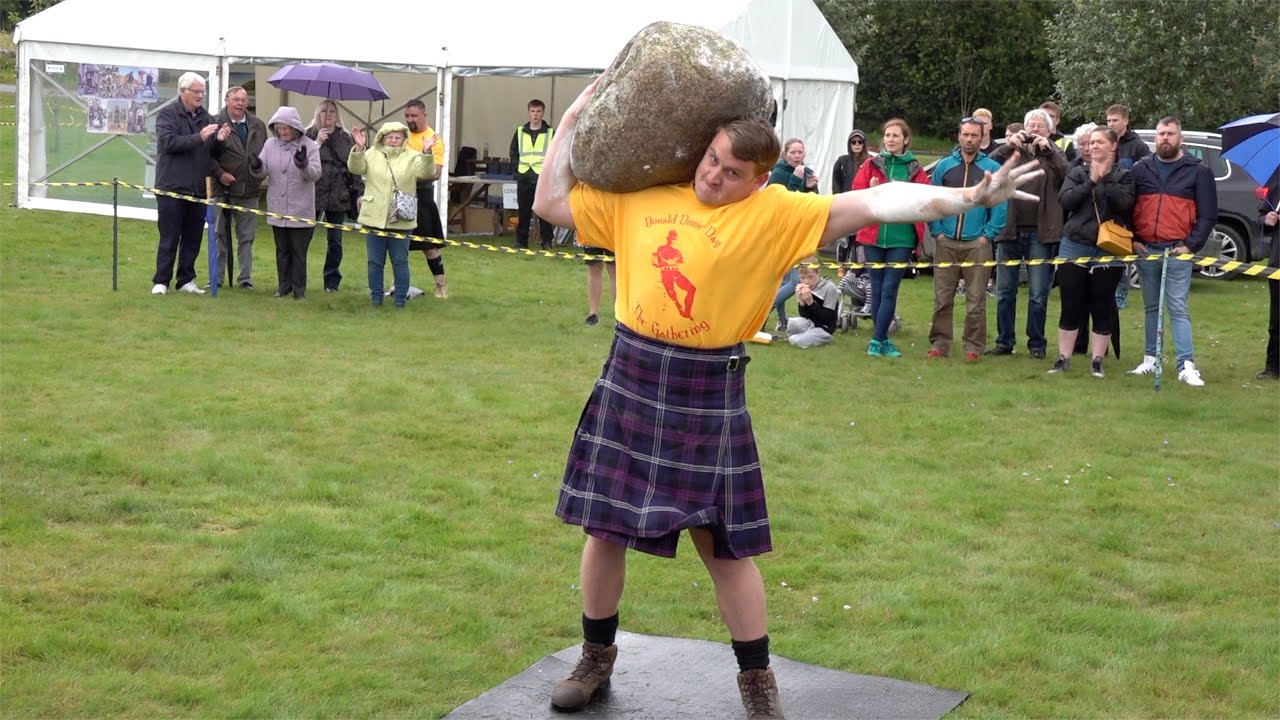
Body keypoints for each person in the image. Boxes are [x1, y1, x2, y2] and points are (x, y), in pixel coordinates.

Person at [532, 76, 1041, 720]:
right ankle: (595, 659)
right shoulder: (643, 199)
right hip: (632, 372)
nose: (714, 176)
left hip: (706, 387)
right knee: (604, 527)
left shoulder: (777, 215)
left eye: (732, 170)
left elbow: (883, 201)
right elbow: (551, 202)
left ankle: (757, 686)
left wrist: (967, 194)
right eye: (712, 159)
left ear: (760, 179)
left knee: (725, 545)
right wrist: (577, 112)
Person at [1126, 117, 1216, 386]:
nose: (1165, 138)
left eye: (1170, 134)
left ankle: (1186, 364)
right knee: (1151, 307)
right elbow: (1128, 207)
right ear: (1155, 138)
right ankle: (1151, 359)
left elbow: (1208, 214)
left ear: (1181, 139)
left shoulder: (1198, 171)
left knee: (1177, 307)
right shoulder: (1141, 169)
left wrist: (1190, 245)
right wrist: (1132, 239)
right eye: (1161, 133)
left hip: (1177, 250)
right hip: (1147, 249)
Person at [1048, 127, 1135, 378]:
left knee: (1102, 304)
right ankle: (1063, 358)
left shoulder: (1125, 175)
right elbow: (1066, 201)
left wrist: (1106, 180)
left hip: (1109, 247)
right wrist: (1091, 181)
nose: (1093, 147)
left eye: (1099, 142)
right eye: (1091, 143)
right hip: (1076, 243)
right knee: (1071, 303)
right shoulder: (1077, 172)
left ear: (1113, 146)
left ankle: (1097, 361)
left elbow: (1125, 204)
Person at [988, 108, 1069, 358]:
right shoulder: (1010, 152)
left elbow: (1067, 175)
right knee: (1004, 292)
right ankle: (1004, 341)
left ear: (1050, 130)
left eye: (1040, 126)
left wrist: (1051, 149)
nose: (1034, 130)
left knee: (1037, 294)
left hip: (1041, 232)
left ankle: (1037, 344)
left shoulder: (1054, 155)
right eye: (1031, 125)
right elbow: (988, 167)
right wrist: (1005, 147)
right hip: (1008, 230)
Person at [926, 117, 1006, 360]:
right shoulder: (944, 167)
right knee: (942, 298)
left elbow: (1001, 205)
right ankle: (940, 344)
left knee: (976, 300)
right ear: (959, 136)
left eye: (974, 135)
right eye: (965, 135)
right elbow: (932, 201)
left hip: (977, 244)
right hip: (946, 241)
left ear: (982, 138)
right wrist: (937, 231)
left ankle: (973, 347)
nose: (969, 139)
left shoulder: (992, 168)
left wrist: (987, 235)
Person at [852, 118, 930, 358]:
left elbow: (924, 199)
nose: (891, 140)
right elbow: (856, 195)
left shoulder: (915, 168)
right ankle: (882, 340)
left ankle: (876, 339)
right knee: (875, 289)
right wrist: (871, 190)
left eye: (896, 136)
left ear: (905, 140)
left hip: (901, 237)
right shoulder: (870, 165)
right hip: (873, 236)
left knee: (889, 290)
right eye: (887, 136)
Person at [150, 72, 230, 295]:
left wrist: (220, 141)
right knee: (169, 237)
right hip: (171, 187)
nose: (200, 96)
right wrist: (199, 137)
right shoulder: (167, 115)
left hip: (198, 188)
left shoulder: (206, 117)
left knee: (193, 237)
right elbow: (169, 143)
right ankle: (161, 281)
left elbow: (212, 151)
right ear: (182, 91)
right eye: (196, 92)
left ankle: (186, 279)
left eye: (202, 92)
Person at [347, 121, 435, 308]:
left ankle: (400, 301)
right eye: (390, 137)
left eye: (398, 137)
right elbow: (355, 169)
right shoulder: (371, 154)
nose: (394, 141)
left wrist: (427, 153)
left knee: (400, 262)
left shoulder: (412, 156)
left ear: (404, 139)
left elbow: (427, 173)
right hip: (373, 218)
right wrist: (359, 148)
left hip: (401, 219)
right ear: (382, 138)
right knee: (374, 263)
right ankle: (376, 299)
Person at [255, 107, 321, 300]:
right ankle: (283, 287)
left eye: (286, 128)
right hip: (277, 207)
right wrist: (256, 166)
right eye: (279, 128)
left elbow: (316, 174)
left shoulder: (310, 146)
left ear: (296, 128)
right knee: (282, 251)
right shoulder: (270, 145)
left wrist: (303, 164)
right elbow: (262, 172)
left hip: (300, 208)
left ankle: (299, 290)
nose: (282, 132)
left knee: (298, 252)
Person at [209, 85, 267, 289]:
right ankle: (216, 278)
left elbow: (264, 155)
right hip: (222, 190)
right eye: (236, 99)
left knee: (246, 237)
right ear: (226, 100)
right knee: (219, 236)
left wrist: (258, 176)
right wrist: (219, 174)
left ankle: (245, 280)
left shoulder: (258, 125)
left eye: (243, 100)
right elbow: (207, 155)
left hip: (249, 190)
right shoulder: (215, 123)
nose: (240, 103)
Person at [305, 100, 363, 293]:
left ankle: (331, 281)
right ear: (317, 114)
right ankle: (298, 277)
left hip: (339, 193)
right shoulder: (308, 134)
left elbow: (354, 167)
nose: (328, 115)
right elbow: (301, 160)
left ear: (337, 115)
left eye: (332, 112)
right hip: (314, 191)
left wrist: (358, 192)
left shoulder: (345, 138)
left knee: (335, 240)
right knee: (304, 236)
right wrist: (318, 143)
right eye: (324, 111)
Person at [766, 138, 819, 332]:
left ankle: (781, 320)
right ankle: (762, 313)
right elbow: (784, 204)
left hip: (801, 230)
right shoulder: (778, 173)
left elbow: (812, 204)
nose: (797, 156)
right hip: (783, 232)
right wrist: (796, 182)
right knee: (796, 281)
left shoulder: (806, 171)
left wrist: (812, 187)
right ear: (785, 154)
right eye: (793, 153)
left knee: (786, 280)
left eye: (800, 152)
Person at [1106, 103, 1151, 311]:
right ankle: (1106, 289)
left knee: (1124, 252)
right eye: (1108, 120)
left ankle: (1121, 292)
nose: (1111, 124)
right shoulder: (1106, 141)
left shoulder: (1138, 146)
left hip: (1128, 206)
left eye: (1115, 120)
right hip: (1107, 205)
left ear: (1125, 121)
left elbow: (1142, 177)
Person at [404, 99, 449, 299]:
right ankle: (401, 285)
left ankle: (441, 286)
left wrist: (412, 172)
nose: (410, 120)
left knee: (429, 247)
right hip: (402, 195)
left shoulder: (433, 138)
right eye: (407, 116)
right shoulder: (401, 135)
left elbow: (436, 173)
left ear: (424, 115)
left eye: (414, 116)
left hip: (422, 196)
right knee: (398, 244)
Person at [510, 99, 555, 250]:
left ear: (543, 113)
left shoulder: (550, 132)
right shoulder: (520, 131)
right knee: (523, 210)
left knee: (543, 211)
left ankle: (547, 241)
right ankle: (521, 241)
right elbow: (514, 152)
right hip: (524, 175)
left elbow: (555, 154)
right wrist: (517, 169)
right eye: (533, 111)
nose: (535, 115)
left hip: (542, 176)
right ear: (528, 112)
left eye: (538, 111)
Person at [786, 259, 839, 348]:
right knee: (792, 323)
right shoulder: (803, 287)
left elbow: (827, 317)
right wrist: (802, 302)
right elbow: (804, 316)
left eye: (810, 277)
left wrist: (811, 302)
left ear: (818, 273)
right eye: (802, 278)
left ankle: (819, 338)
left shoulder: (830, 288)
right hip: (810, 323)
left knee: (794, 340)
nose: (806, 281)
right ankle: (806, 335)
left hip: (824, 328)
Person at [1258, 176, 1280, 380]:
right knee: (1277, 319)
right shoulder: (1277, 182)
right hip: (1278, 263)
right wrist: (1267, 219)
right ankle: (1273, 367)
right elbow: (1261, 216)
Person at [584, 245, 617, 326]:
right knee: (593, 267)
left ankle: (619, 314)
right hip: (592, 235)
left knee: (615, 269)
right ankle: (593, 313)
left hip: (613, 234)